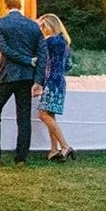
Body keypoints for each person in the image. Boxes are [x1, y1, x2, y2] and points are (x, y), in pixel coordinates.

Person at [0, 0, 47, 165]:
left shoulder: (0, 23)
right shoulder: (34, 27)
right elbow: (43, 54)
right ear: (20, 6)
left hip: (6, 75)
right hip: (26, 77)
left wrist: (26, 60)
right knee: (23, 116)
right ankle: (21, 157)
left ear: (6, 6)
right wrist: (38, 80)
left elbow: (4, 49)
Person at [37, 13, 75, 161]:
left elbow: (40, 58)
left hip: (51, 81)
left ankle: (65, 146)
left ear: (49, 25)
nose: (42, 29)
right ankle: (53, 150)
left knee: (43, 114)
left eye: (43, 26)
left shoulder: (50, 41)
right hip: (60, 81)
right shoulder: (64, 42)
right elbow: (68, 66)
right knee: (51, 115)